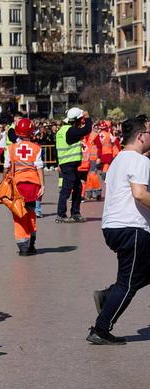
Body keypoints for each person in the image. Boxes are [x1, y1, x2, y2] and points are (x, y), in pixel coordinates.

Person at [87, 117, 150, 345]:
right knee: (128, 283)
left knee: (143, 273)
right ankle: (100, 329)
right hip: (130, 228)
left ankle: (108, 296)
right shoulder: (138, 161)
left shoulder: (120, 159)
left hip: (115, 227)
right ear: (141, 135)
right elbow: (140, 194)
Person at [4, 119, 45, 256]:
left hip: (18, 185)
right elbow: (39, 167)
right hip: (33, 185)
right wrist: (42, 185)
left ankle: (23, 246)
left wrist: (4, 183)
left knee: (19, 214)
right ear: (31, 132)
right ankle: (32, 242)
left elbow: (6, 168)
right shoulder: (36, 148)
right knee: (31, 212)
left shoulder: (11, 148)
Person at [55, 108, 92, 223]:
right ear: (77, 119)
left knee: (77, 187)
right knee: (67, 189)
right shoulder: (71, 131)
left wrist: (58, 163)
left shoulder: (61, 130)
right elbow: (87, 130)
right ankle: (61, 215)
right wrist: (88, 117)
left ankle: (75, 213)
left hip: (67, 164)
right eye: (80, 119)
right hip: (69, 164)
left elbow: (56, 149)